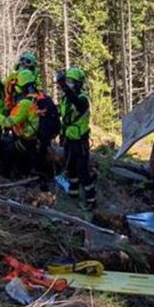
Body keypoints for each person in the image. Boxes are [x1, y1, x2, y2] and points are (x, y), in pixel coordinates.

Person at [0, 68, 60, 184]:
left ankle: (8, 178)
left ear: (20, 86)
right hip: (41, 139)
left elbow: (8, 122)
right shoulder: (41, 97)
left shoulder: (25, 103)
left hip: (28, 140)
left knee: (6, 153)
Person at [57, 67, 96, 210]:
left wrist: (63, 86)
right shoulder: (64, 99)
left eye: (71, 82)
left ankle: (91, 199)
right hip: (68, 139)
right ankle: (73, 195)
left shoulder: (82, 99)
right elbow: (64, 117)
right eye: (67, 81)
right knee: (70, 169)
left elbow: (78, 105)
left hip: (80, 141)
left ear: (79, 84)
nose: (69, 84)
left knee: (82, 171)